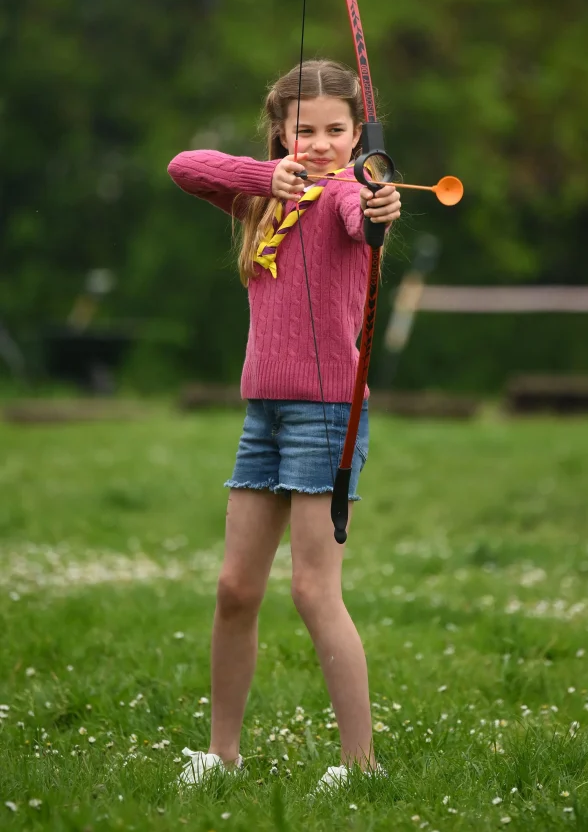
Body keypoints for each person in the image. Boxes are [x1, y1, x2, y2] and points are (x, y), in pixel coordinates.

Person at [167, 59, 401, 792]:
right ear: (280, 133)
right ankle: (221, 755)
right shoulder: (265, 199)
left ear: (359, 134)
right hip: (262, 415)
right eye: (305, 130)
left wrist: (377, 202)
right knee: (236, 587)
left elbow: (362, 219)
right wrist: (265, 175)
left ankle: (361, 766)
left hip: (327, 414)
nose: (323, 143)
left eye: (338, 130)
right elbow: (185, 166)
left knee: (310, 590)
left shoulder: (343, 198)